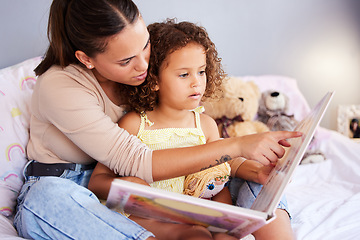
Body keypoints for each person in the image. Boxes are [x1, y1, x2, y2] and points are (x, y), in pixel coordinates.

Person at [14, 0, 301, 239]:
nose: (143, 65)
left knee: (260, 174)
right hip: (73, 188)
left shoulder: (141, 76)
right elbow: (136, 160)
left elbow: (185, 124)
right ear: (87, 59)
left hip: (148, 182)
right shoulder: (59, 86)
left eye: (146, 45)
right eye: (126, 60)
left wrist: (249, 159)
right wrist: (236, 145)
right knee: (47, 198)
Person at [89, 19, 294, 240]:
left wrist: (224, 222)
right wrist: (126, 185)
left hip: (194, 219)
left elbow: (220, 175)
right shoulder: (134, 124)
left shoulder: (204, 125)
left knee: (210, 235)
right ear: (154, 80)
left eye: (202, 72)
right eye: (184, 74)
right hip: (144, 220)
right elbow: (97, 181)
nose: (197, 83)